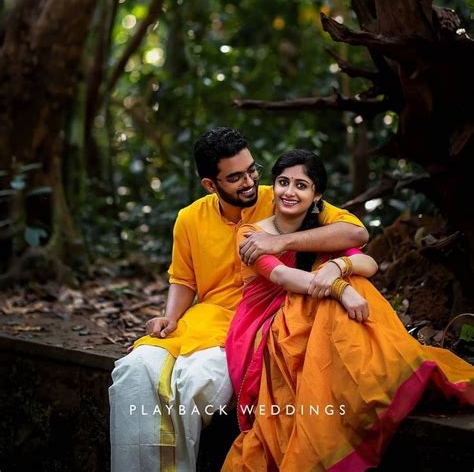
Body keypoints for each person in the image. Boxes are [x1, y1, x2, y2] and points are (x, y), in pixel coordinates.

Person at [109, 128, 368, 472]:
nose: (248, 182)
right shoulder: (189, 219)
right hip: (204, 319)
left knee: (193, 381)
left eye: (251, 170)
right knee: (133, 370)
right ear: (210, 184)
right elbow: (183, 279)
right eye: (235, 177)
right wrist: (170, 317)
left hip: (259, 321)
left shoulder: (279, 196)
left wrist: (282, 243)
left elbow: (355, 232)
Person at [223, 149, 474, 472]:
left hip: (311, 310)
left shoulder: (322, 224)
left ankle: (368, 378)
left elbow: (367, 260)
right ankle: (370, 381)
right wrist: (340, 287)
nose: (289, 191)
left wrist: (339, 266)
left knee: (352, 277)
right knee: (340, 292)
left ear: (317, 196)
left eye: (301, 185)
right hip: (266, 325)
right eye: (283, 182)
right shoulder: (251, 233)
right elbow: (285, 277)